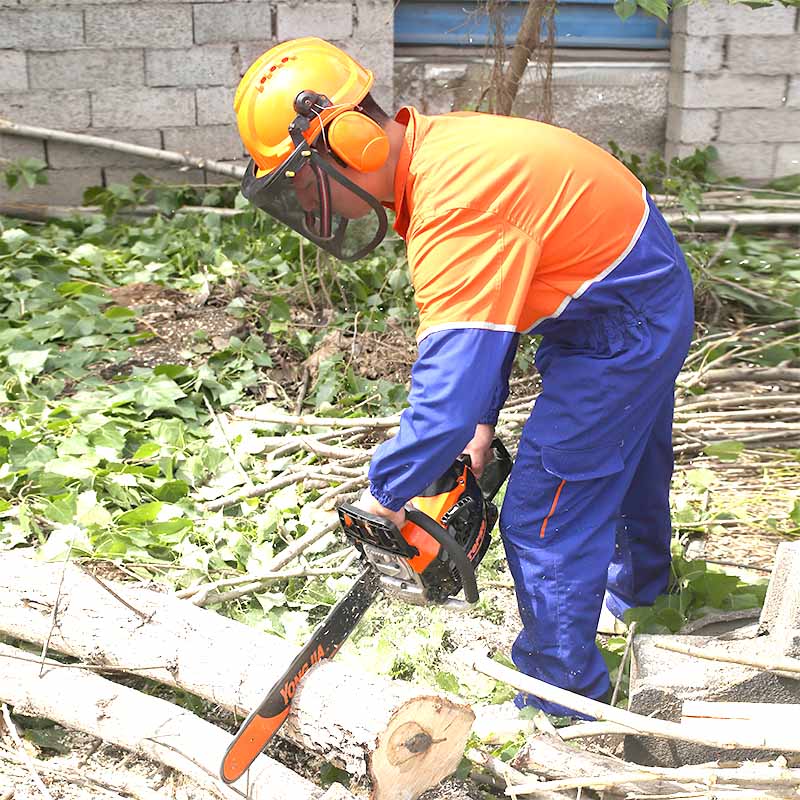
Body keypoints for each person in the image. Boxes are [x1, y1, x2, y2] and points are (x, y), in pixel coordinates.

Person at [233, 37, 694, 715]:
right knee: (624, 463)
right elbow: (498, 306)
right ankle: (647, 606)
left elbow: (444, 393)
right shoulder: (447, 156)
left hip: (622, 322)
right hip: (628, 289)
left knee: (547, 511)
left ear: (352, 141)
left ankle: (561, 703)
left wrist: (389, 495)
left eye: (305, 182)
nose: (313, 205)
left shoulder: (457, 205)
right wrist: (481, 425)